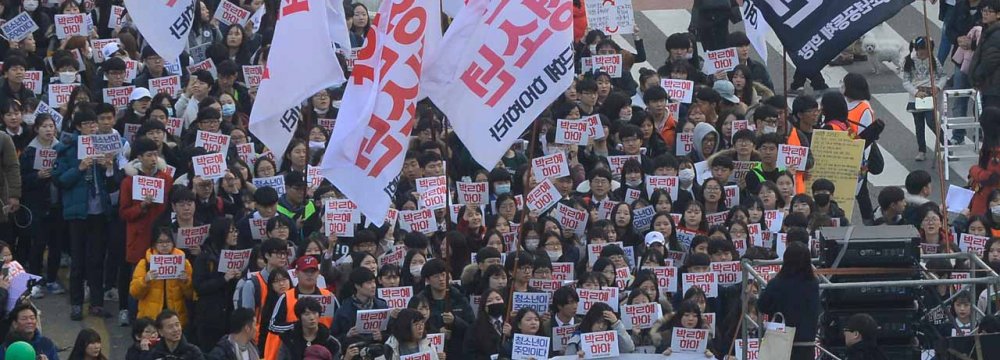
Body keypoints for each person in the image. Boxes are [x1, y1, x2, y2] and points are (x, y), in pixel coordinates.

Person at [53, 109, 119, 321]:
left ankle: (97, 304)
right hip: (78, 214)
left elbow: (113, 184)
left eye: (94, 123)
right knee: (78, 260)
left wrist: (108, 169)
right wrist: (80, 168)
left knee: (97, 259)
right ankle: (76, 303)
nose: (92, 127)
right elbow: (60, 180)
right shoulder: (68, 149)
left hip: (99, 212)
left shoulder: (103, 146)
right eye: (88, 124)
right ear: (79, 127)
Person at [265, 256, 334, 359]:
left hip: (324, 349)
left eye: (313, 271)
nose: (309, 275)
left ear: (318, 273)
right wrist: (298, 325)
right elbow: (273, 326)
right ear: (296, 273)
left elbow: (337, 324)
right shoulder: (286, 297)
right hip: (293, 349)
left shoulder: (329, 296)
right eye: (305, 271)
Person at [758, 242, 819, 360]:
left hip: (781, 339)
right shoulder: (813, 283)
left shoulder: (777, 283)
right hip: (807, 342)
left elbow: (762, 305)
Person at [193, 217, 246, 351]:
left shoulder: (236, 253)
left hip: (229, 314)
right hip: (210, 317)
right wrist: (224, 279)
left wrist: (240, 277)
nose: (235, 234)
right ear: (221, 233)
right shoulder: (205, 257)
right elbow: (199, 287)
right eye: (231, 231)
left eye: (236, 230)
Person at [130, 226, 196, 326]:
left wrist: (186, 282)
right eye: (160, 242)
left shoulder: (183, 263)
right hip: (150, 321)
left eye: (168, 241)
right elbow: (135, 293)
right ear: (153, 244)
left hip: (175, 320)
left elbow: (191, 295)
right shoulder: (144, 263)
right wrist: (145, 281)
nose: (164, 245)